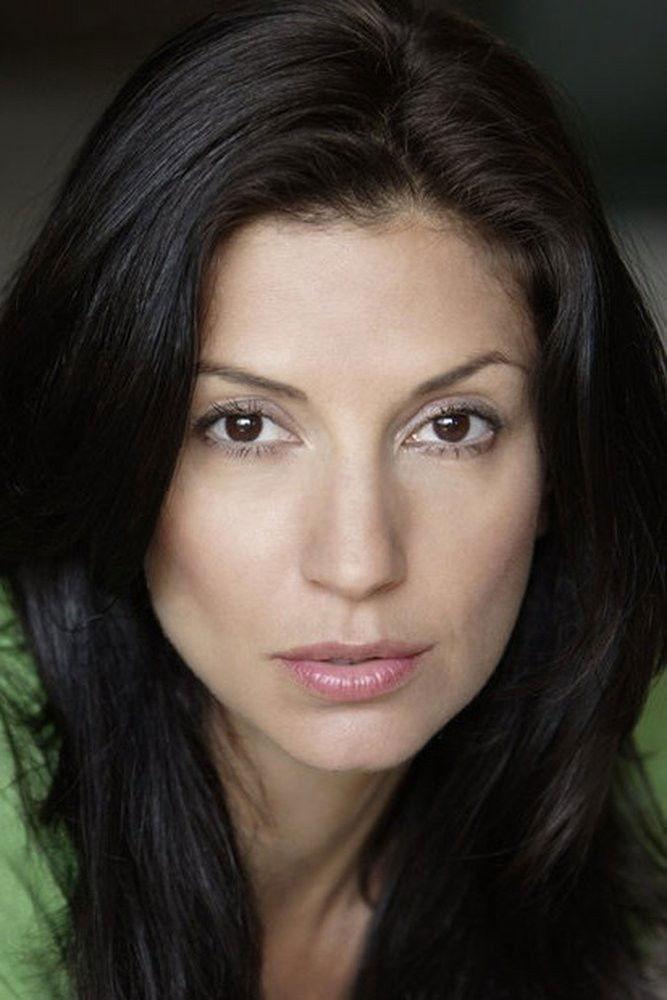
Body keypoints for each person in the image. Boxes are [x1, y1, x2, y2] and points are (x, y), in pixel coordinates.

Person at [0, 1, 665, 997]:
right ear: (114, 443)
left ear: (562, 463)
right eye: (242, 427)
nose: (357, 562)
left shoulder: (628, 726)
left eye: (451, 426)